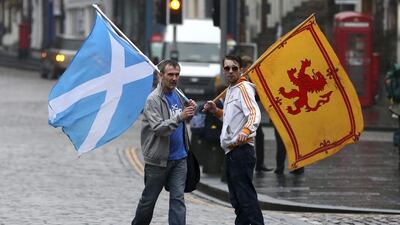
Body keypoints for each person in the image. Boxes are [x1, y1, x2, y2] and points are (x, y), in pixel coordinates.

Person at [132, 59, 197, 225]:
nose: (174, 78)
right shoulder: (153, 100)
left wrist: (190, 109)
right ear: (161, 75)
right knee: (148, 201)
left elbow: (184, 117)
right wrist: (180, 116)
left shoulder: (178, 94)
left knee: (178, 200)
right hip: (158, 161)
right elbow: (159, 128)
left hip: (180, 158)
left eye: (177, 75)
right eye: (170, 75)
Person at [204, 55, 264, 225]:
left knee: (245, 198)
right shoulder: (231, 89)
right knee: (237, 199)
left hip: (242, 150)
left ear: (241, 70)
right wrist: (216, 110)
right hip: (231, 151)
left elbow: (253, 114)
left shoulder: (244, 88)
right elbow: (230, 119)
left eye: (234, 68)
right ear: (223, 70)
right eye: (227, 68)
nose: (230, 71)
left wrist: (246, 131)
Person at [241, 55, 273, 172]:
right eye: (249, 68)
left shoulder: (252, 80)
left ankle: (259, 164)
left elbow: (257, 97)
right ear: (243, 68)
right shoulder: (241, 80)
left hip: (252, 115)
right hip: (243, 116)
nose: (251, 71)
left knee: (260, 136)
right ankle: (246, 164)